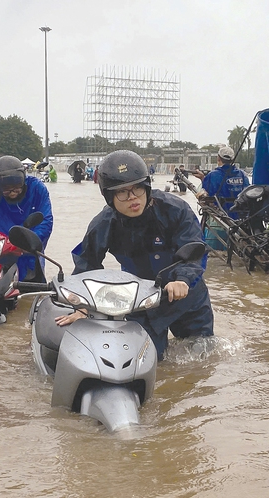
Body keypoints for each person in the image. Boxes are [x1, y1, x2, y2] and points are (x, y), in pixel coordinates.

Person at [56, 150, 214, 360]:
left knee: (201, 360)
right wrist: (82, 307)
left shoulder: (176, 209)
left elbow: (194, 249)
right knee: (146, 361)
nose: (132, 198)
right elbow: (86, 263)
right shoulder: (104, 223)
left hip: (187, 297)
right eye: (122, 192)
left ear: (146, 187)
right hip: (141, 302)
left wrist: (183, 279)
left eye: (137, 188)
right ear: (109, 196)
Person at [197, 146, 250, 219]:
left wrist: (203, 178)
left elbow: (204, 194)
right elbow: (248, 193)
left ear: (218, 158)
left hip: (219, 219)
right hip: (241, 219)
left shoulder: (212, 175)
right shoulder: (242, 175)